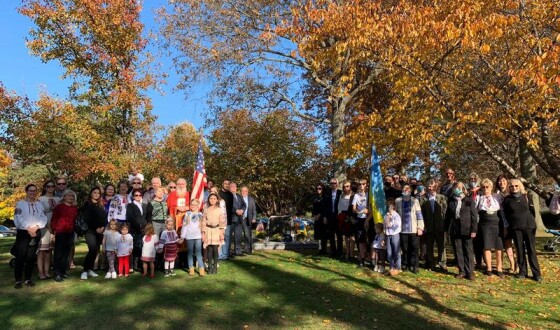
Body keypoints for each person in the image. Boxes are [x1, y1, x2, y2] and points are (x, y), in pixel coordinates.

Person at [502, 179, 542, 282]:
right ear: (509, 188)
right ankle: (522, 272)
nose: (514, 188)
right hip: (516, 228)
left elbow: (533, 211)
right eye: (511, 186)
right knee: (520, 251)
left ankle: (536, 274)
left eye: (516, 186)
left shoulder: (527, 196)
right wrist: (508, 227)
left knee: (531, 250)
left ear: (520, 186)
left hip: (529, 226)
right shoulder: (507, 200)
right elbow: (506, 215)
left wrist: (533, 225)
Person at [13, 184, 48, 289]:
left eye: (34, 190)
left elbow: (43, 217)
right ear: (26, 191)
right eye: (30, 190)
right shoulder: (20, 204)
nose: (33, 192)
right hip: (24, 232)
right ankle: (18, 280)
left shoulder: (39, 204)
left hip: (36, 232)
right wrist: (28, 228)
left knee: (31, 257)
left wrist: (36, 227)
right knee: (21, 256)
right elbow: (18, 217)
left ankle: (28, 279)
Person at [446, 182, 478, 280]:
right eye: (456, 187)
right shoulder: (451, 201)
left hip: (467, 229)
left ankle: (470, 272)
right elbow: (448, 216)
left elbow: (474, 215)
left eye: (460, 187)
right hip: (455, 229)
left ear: (463, 188)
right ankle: (462, 271)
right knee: (458, 250)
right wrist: (447, 229)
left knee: (468, 250)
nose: (458, 189)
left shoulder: (469, 200)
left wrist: (474, 230)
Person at [478, 179, 505, 278]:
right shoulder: (479, 198)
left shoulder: (498, 196)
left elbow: (503, 211)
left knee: (499, 247)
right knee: (487, 246)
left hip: (497, 222)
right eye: (483, 187)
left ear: (491, 187)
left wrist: (505, 225)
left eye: (487, 187)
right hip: (485, 223)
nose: (485, 189)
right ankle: (489, 268)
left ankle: (499, 268)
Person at [419, 179, 448, 271]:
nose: (430, 188)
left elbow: (445, 212)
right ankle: (430, 264)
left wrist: (445, 226)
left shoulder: (442, 197)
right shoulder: (422, 198)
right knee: (429, 246)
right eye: (429, 186)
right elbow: (420, 214)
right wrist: (423, 226)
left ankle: (442, 263)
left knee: (441, 246)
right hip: (428, 226)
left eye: (432, 186)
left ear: (436, 187)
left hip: (440, 225)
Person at [396, 185, 424, 273]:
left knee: (414, 249)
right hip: (402, 229)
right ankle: (406, 265)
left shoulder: (415, 200)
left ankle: (415, 266)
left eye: (407, 189)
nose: (406, 190)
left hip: (414, 229)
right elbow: (396, 214)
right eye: (404, 189)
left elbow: (419, 214)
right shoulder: (398, 201)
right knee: (405, 249)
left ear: (410, 190)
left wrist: (420, 227)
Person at [51, 190, 78, 282]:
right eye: (69, 196)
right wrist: (54, 231)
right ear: (64, 197)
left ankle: (63, 271)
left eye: (72, 196)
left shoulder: (74, 208)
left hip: (70, 232)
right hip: (60, 232)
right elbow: (54, 219)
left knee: (66, 253)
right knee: (58, 254)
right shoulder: (59, 207)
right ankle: (56, 273)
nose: (70, 197)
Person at [81, 187, 106, 280]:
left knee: (95, 250)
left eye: (98, 193)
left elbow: (104, 217)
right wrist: (96, 228)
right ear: (91, 193)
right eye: (94, 192)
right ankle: (84, 271)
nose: (96, 194)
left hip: (100, 231)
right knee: (92, 249)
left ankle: (90, 269)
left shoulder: (100, 205)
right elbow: (87, 218)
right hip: (90, 231)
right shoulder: (87, 204)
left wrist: (103, 227)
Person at [37, 180, 60, 280]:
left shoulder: (58, 199)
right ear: (45, 188)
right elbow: (39, 214)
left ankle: (47, 271)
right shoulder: (40, 199)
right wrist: (48, 226)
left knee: (49, 250)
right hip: (44, 226)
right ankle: (41, 272)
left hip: (56, 225)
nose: (50, 188)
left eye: (52, 186)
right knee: (42, 250)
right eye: (48, 186)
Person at [166, 178, 190, 267]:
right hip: (176, 220)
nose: (181, 185)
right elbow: (168, 206)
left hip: (187, 221)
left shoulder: (189, 194)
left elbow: (195, 205)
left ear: (186, 185)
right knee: (176, 239)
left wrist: (188, 207)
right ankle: (177, 261)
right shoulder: (172, 194)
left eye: (183, 184)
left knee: (187, 239)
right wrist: (177, 208)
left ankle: (187, 261)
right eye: (179, 184)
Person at [495, 175, 516, 273]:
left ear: (507, 182)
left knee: (516, 245)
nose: (501, 182)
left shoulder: (512, 192)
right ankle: (512, 264)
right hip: (503, 222)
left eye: (503, 181)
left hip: (514, 222)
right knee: (507, 244)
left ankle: (518, 265)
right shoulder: (497, 195)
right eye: (499, 181)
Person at [202, 193, 227, 274]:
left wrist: (221, 233)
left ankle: (215, 266)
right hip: (208, 230)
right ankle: (209, 267)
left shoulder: (219, 209)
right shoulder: (206, 209)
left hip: (216, 230)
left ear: (217, 200)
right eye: (211, 198)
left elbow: (222, 222)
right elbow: (203, 222)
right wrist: (203, 232)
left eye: (214, 199)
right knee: (209, 249)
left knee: (215, 249)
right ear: (209, 200)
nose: (212, 200)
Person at [181, 199, 205, 276]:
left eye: (195, 204)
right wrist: (182, 236)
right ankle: (191, 268)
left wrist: (203, 235)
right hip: (189, 236)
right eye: (192, 204)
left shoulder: (200, 214)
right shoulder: (187, 214)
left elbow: (203, 226)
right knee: (190, 252)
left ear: (198, 206)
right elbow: (184, 226)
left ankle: (201, 268)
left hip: (198, 236)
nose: (193, 206)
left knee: (198, 252)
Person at [127, 188, 147, 272]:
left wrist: (145, 227)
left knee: (142, 247)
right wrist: (138, 226)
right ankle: (133, 266)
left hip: (144, 230)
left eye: (140, 195)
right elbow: (130, 217)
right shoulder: (130, 205)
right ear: (133, 196)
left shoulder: (144, 205)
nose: (138, 196)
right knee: (135, 247)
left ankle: (140, 265)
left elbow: (146, 217)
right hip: (135, 230)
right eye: (136, 195)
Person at [352, 179, 368, 267]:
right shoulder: (356, 196)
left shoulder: (369, 195)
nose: (361, 185)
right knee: (360, 240)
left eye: (363, 184)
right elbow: (353, 208)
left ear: (366, 185)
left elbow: (372, 207)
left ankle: (371, 258)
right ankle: (362, 259)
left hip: (369, 219)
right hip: (359, 219)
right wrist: (358, 211)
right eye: (360, 184)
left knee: (369, 240)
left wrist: (368, 211)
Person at [337, 181, 355, 261]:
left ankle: (352, 254)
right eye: (344, 187)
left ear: (350, 187)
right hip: (343, 216)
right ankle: (347, 253)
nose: (345, 188)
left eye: (347, 186)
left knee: (352, 237)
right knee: (346, 236)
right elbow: (339, 207)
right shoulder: (341, 195)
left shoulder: (354, 195)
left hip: (351, 216)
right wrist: (340, 216)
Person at [384, 199, 401, 276]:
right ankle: (391, 267)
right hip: (388, 235)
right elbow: (385, 226)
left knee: (396, 252)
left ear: (393, 206)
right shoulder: (386, 215)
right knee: (389, 252)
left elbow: (397, 225)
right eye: (388, 205)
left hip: (395, 235)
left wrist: (391, 220)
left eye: (390, 205)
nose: (389, 207)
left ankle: (397, 268)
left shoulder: (396, 215)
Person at [230, 182, 247, 257]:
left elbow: (244, 205)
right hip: (231, 219)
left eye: (235, 186)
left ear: (236, 188)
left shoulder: (239, 196)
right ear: (229, 187)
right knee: (229, 237)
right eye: (232, 186)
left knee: (238, 236)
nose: (233, 187)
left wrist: (242, 210)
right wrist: (236, 211)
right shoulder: (228, 196)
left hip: (239, 219)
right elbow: (229, 205)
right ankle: (228, 252)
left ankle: (238, 251)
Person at [218, 179, 233, 260]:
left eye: (228, 184)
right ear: (222, 184)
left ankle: (225, 255)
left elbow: (231, 207)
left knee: (227, 237)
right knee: (220, 237)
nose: (226, 185)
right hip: (219, 220)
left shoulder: (231, 194)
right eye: (225, 183)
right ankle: (219, 255)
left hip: (228, 220)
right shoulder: (218, 193)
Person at [241, 186, 257, 255]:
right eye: (242, 191)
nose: (244, 192)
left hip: (249, 219)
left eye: (245, 191)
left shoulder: (251, 199)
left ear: (247, 192)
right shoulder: (239, 199)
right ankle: (247, 248)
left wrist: (254, 218)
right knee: (244, 234)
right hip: (241, 218)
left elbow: (254, 210)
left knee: (248, 234)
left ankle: (248, 248)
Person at [312, 183, 325, 253]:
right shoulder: (315, 197)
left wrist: (319, 215)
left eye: (320, 188)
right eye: (317, 188)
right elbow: (314, 208)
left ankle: (323, 249)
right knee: (317, 233)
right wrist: (314, 216)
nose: (318, 190)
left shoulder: (324, 197)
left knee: (322, 234)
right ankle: (318, 248)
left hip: (322, 217)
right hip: (316, 217)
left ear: (322, 189)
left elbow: (324, 208)